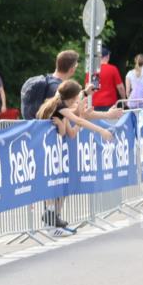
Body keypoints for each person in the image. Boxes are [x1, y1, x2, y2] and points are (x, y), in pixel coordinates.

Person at [35, 79, 116, 237]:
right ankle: (51, 225)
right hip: (46, 151)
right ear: (71, 98)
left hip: (56, 152)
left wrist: (78, 115)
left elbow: (69, 133)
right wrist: (101, 131)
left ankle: (54, 220)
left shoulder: (62, 104)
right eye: (77, 99)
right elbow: (77, 121)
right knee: (52, 188)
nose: (79, 101)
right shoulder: (59, 106)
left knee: (60, 187)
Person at [90, 47, 125, 112]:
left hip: (94, 104)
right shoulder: (112, 69)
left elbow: (93, 88)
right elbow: (120, 87)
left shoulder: (93, 70)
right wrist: (124, 100)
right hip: (109, 104)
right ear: (107, 56)